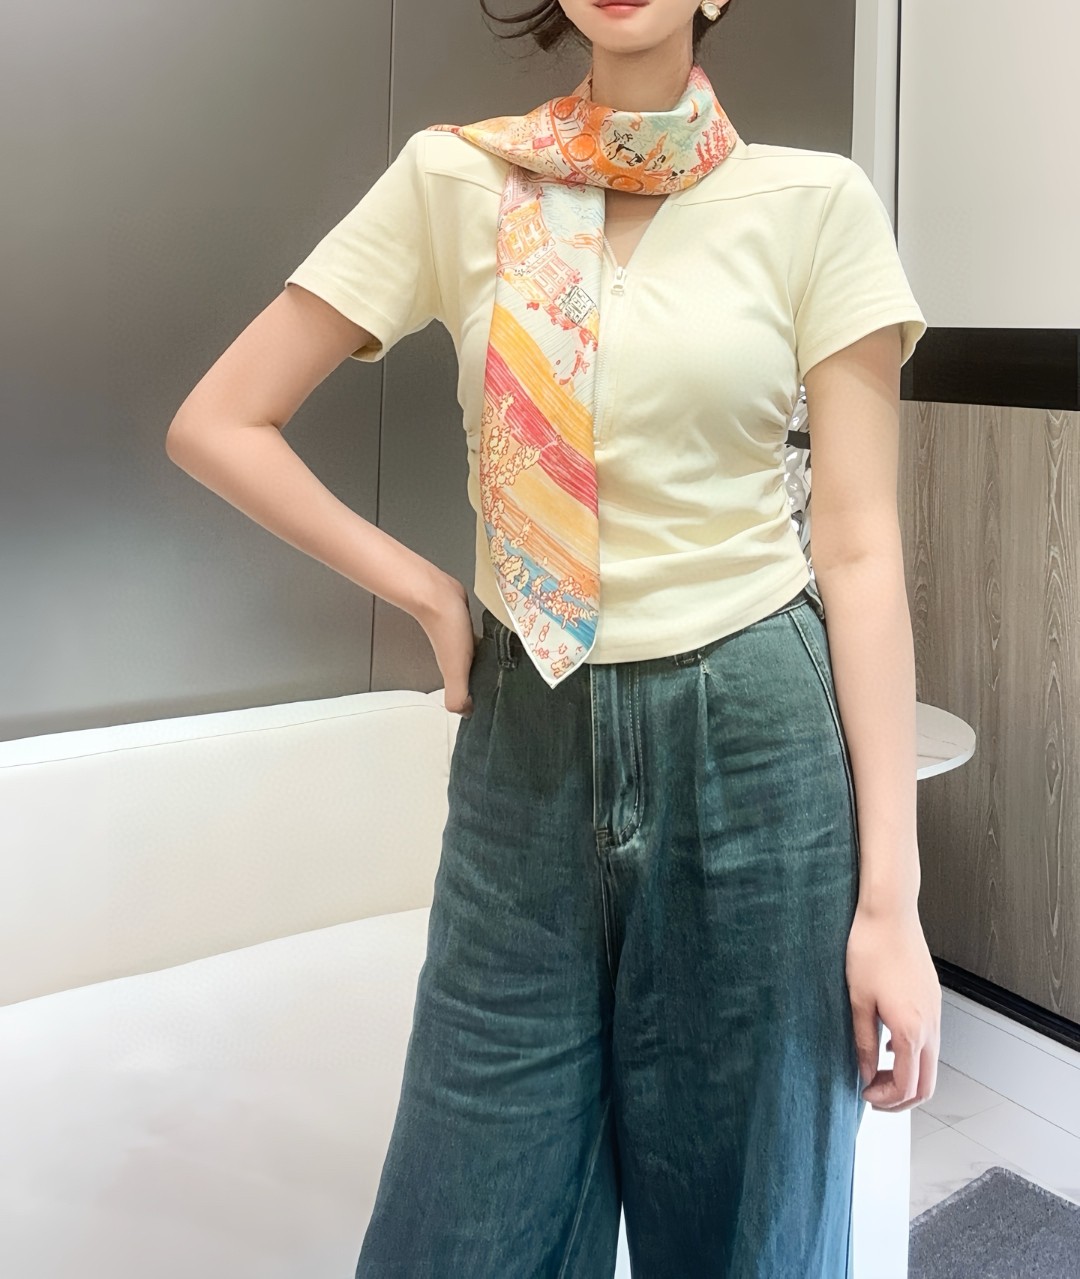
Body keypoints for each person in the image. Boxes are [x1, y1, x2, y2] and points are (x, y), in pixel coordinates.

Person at [166, 0, 943, 1273]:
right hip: (525, 742)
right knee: (462, 1232)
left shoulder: (818, 204)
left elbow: (858, 550)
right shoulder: (455, 178)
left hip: (755, 744)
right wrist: (430, 593)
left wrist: (893, 906)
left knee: (753, 1233)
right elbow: (221, 419)